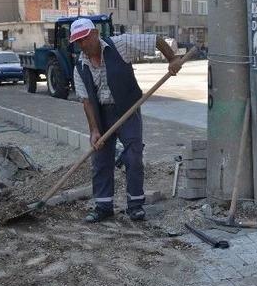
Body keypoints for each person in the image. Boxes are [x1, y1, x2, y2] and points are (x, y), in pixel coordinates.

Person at [71, 18, 182, 223]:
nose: (82, 44)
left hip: (128, 109)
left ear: (95, 34)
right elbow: (86, 101)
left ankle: (135, 206)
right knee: (101, 160)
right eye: (78, 41)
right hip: (101, 114)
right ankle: (103, 206)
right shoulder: (79, 67)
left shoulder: (119, 45)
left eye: (85, 39)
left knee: (133, 156)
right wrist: (94, 130)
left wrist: (172, 59)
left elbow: (155, 40)